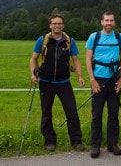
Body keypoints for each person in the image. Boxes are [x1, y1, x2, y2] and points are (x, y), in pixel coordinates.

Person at [29, 14, 86, 152]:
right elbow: (33, 59)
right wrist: (33, 73)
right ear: (50, 25)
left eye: (59, 23)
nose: (57, 26)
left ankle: (76, 141)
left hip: (64, 82)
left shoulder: (69, 41)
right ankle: (49, 141)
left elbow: (76, 60)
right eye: (54, 23)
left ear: (63, 25)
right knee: (46, 112)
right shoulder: (42, 40)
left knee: (72, 111)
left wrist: (80, 76)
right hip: (46, 82)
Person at [85, 11, 121, 158]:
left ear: (114, 23)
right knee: (96, 114)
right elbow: (88, 59)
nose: (109, 23)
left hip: (114, 80)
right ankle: (95, 146)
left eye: (111, 21)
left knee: (113, 114)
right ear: (101, 22)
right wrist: (92, 80)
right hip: (98, 80)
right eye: (106, 20)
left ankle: (112, 144)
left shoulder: (119, 37)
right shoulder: (93, 37)